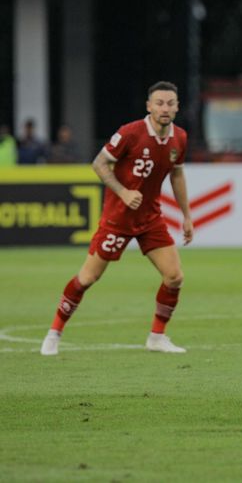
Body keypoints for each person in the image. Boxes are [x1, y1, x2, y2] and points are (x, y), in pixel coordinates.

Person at [40, 81, 193, 356]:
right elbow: (99, 163)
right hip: (117, 219)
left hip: (150, 219)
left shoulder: (179, 138)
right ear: (149, 106)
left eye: (170, 103)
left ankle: (157, 337)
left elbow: (177, 174)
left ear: (177, 106)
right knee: (87, 278)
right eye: (159, 103)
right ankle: (55, 332)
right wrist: (122, 192)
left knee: (174, 276)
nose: (165, 108)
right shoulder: (130, 133)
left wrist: (187, 216)